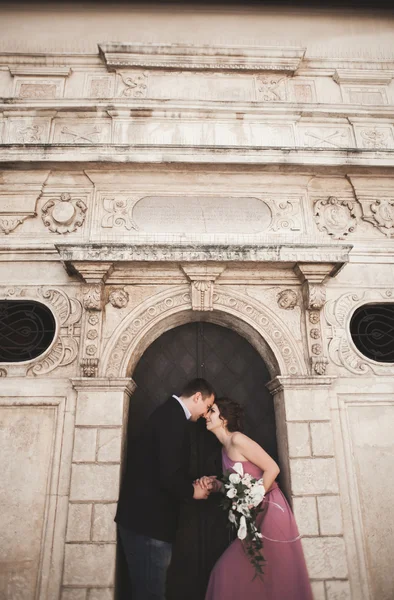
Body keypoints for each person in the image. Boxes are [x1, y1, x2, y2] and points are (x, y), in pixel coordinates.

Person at [201, 397, 313, 600]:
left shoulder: (238, 440)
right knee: (231, 572)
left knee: (276, 574)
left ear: (224, 418)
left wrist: (254, 496)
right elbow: (236, 483)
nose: (206, 416)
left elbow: (273, 468)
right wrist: (216, 485)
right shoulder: (224, 448)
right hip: (252, 517)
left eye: (212, 411)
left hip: (270, 509)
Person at [115, 378, 216, 600]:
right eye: (207, 407)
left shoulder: (170, 415)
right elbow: (168, 474)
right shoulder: (173, 419)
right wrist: (193, 492)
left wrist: (197, 481)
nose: (206, 414)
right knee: (150, 594)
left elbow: (167, 468)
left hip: (145, 523)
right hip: (148, 525)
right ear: (197, 397)